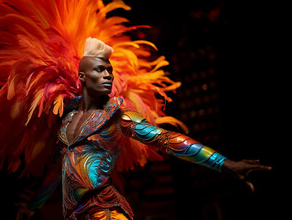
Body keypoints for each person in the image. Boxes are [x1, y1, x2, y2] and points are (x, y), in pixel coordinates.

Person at [16, 38, 272, 220]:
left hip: (106, 210)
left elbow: (168, 139)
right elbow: (59, 171)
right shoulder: (67, 121)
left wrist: (224, 163)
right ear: (82, 77)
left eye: (110, 70)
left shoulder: (118, 116)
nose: (108, 75)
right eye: (99, 70)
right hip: (73, 214)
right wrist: (33, 205)